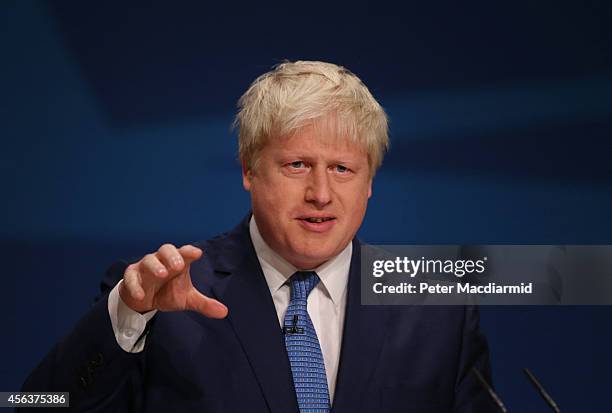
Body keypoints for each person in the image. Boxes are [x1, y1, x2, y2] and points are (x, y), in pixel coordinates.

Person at [22, 60, 496, 412]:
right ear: (249, 170)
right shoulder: (163, 296)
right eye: (297, 165)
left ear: (370, 181)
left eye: (343, 169)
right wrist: (127, 317)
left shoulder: (440, 313)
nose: (321, 193)